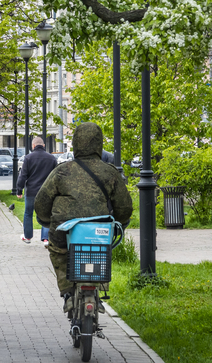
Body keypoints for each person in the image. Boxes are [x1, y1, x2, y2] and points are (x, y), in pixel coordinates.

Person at [34, 122, 133, 309]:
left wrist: (46, 219)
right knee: (101, 249)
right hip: (99, 229)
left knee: (58, 251)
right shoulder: (109, 172)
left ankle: (67, 294)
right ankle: (100, 288)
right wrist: (120, 222)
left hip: (64, 229)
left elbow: (42, 202)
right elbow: (124, 206)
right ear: (99, 144)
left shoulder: (61, 171)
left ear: (75, 143)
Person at [17, 136, 58, 246]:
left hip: (31, 192)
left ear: (33, 146)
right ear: (43, 146)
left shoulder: (28, 158)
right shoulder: (52, 158)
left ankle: (28, 237)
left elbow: (23, 176)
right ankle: (46, 239)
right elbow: (56, 176)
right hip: (46, 193)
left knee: (28, 214)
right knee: (46, 214)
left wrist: (19, 190)